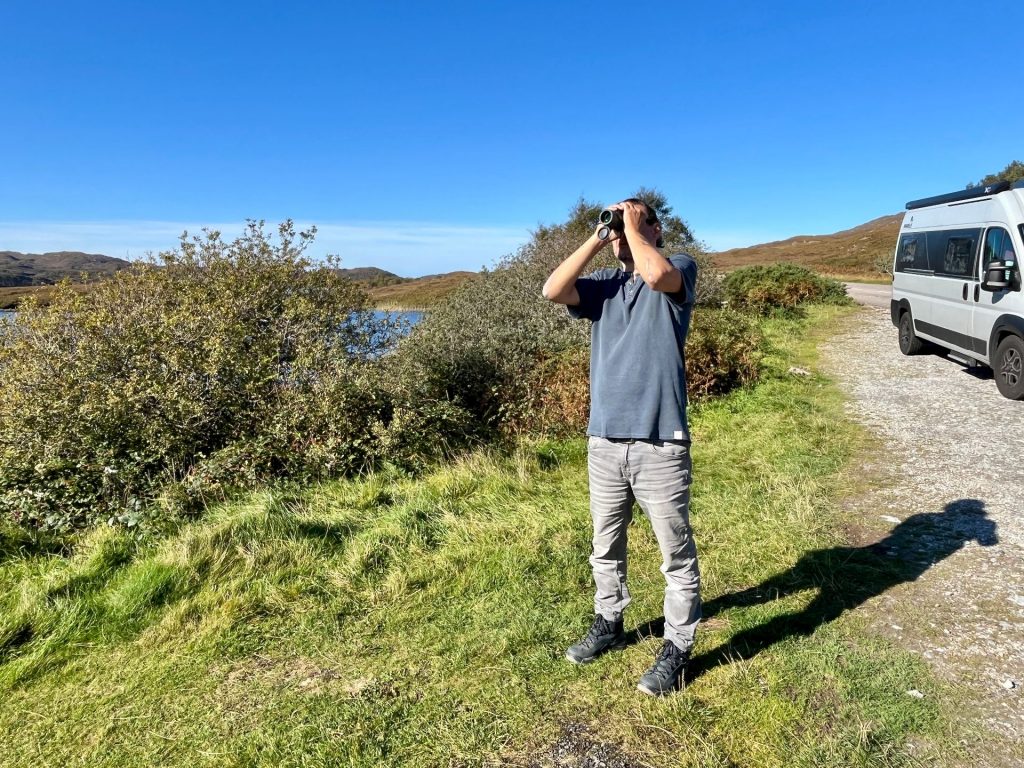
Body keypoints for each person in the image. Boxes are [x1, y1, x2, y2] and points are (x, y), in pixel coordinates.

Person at [541, 198, 700, 696]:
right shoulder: (604, 288)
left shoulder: (680, 268)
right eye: (621, 219)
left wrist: (634, 229)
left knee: (675, 554)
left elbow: (657, 276)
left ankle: (677, 647)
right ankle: (609, 623)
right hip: (605, 439)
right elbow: (553, 290)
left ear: (655, 226)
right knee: (605, 546)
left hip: (660, 441)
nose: (622, 228)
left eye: (633, 218)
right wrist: (598, 236)